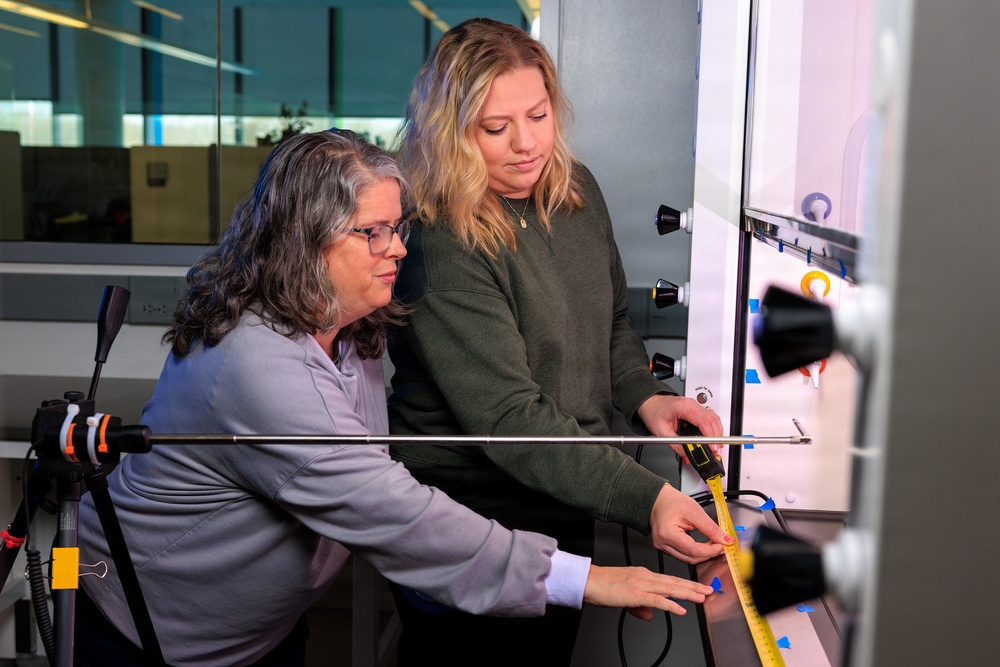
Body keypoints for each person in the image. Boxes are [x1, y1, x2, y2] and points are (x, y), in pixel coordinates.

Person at [71, 129, 714, 667]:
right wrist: (585, 579)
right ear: (304, 242)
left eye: (398, 227)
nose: (398, 248)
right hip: (144, 623)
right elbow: (390, 510)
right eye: (373, 232)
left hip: (256, 631)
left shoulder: (352, 328)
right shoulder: (253, 363)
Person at [386, 19, 733, 665]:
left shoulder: (575, 193)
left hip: (561, 490)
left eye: (539, 116)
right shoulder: (441, 238)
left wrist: (645, 397)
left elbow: (609, 327)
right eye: (495, 128)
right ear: (447, 132)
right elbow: (508, 417)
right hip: (469, 512)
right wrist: (645, 496)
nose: (527, 144)